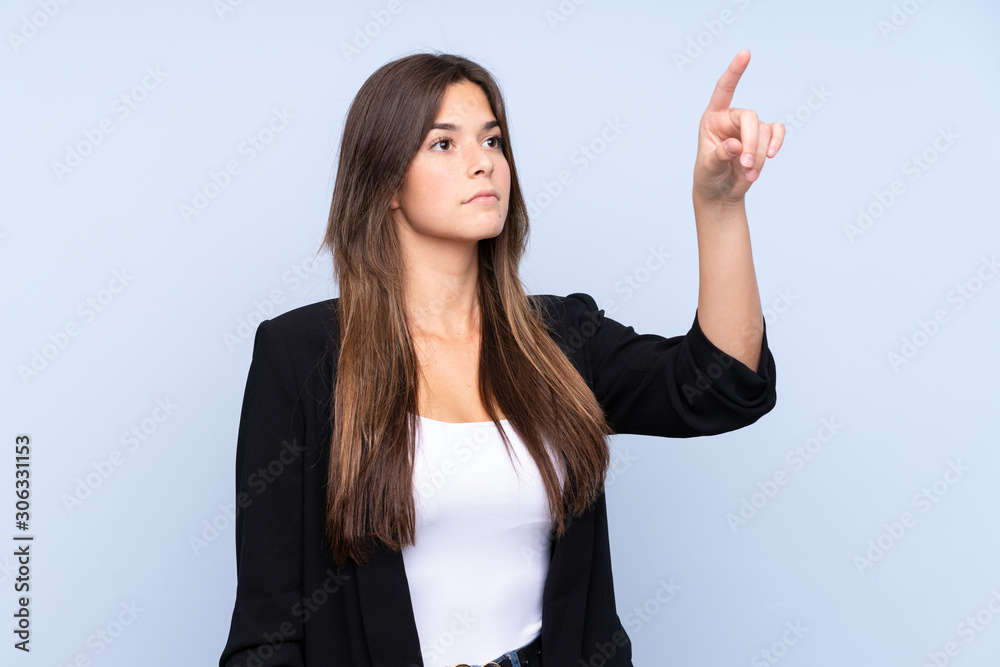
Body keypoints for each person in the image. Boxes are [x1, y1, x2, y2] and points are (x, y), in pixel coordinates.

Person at [219, 49, 782, 667]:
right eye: (444, 144)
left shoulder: (562, 337)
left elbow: (725, 384)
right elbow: (267, 635)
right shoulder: (300, 357)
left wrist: (721, 207)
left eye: (493, 139)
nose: (483, 161)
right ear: (383, 184)